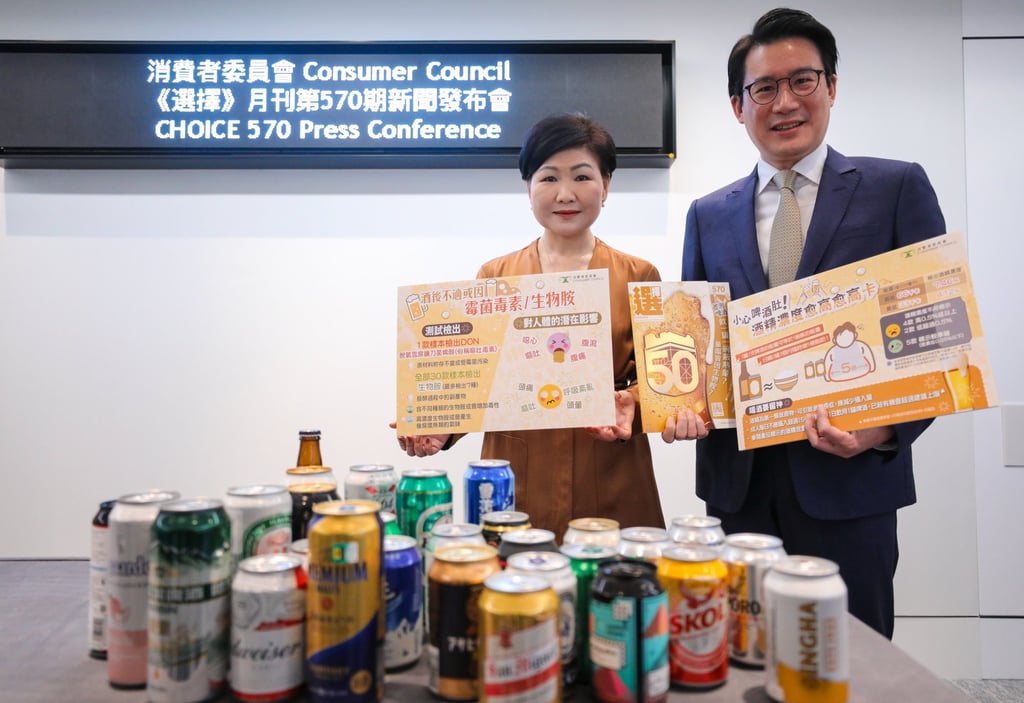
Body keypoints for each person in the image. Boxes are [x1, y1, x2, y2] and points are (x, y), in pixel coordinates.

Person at [664, 8, 945, 638]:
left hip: (849, 484)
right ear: (739, 106)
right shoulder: (708, 214)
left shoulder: (895, 188)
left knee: (854, 654)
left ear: (832, 86)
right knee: (742, 652)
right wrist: (681, 404)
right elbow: (694, 344)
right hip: (738, 489)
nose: (784, 102)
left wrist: (882, 431)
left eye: (802, 81)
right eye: (764, 88)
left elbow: (934, 336)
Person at [393, 113, 665, 536]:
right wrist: (440, 425)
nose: (565, 194)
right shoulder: (495, 277)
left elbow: (661, 383)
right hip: (518, 469)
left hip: (611, 468)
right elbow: (475, 381)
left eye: (582, 176)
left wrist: (635, 403)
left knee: (614, 591)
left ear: (606, 185)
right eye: (549, 178)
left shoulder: (639, 275)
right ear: (529, 188)